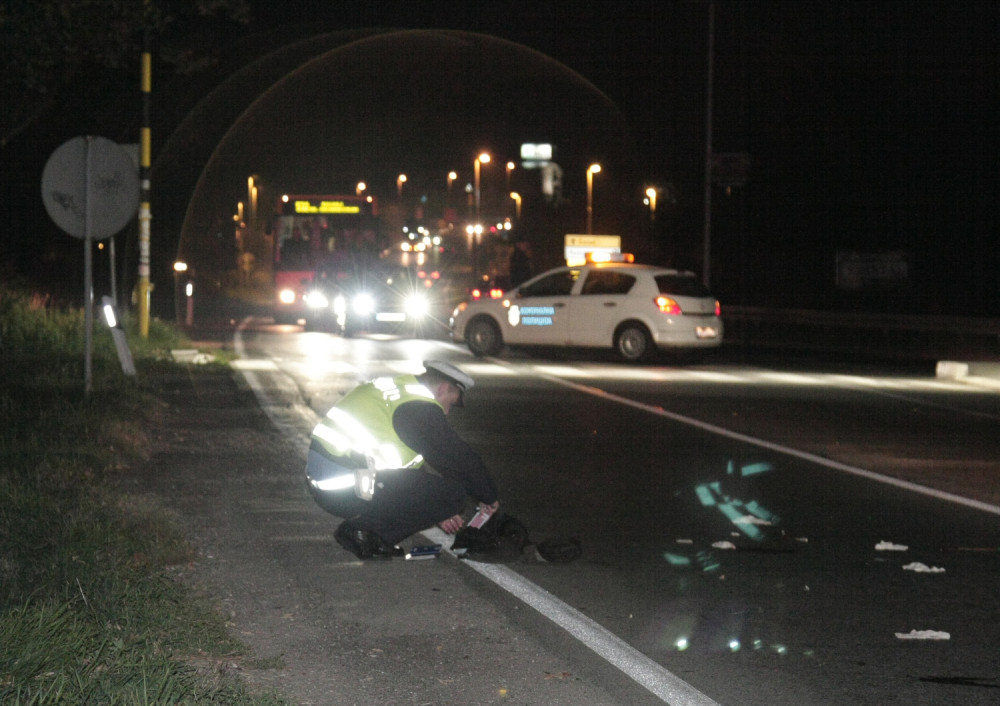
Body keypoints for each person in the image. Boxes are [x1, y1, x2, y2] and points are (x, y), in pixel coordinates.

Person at [305, 360, 500, 559]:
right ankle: (364, 532)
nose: (447, 412)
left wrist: (436, 508)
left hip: (332, 480)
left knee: (440, 494)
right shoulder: (418, 407)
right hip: (344, 486)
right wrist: (488, 495)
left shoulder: (395, 393)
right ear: (442, 389)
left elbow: (412, 473)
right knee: (454, 494)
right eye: (450, 403)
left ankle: (370, 536)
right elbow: (456, 457)